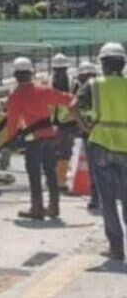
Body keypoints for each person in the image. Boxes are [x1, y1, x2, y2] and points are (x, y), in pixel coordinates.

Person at [71, 43, 127, 262]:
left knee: (107, 200)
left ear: (102, 64)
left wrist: (86, 127)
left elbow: (73, 106)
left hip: (101, 144)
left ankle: (116, 248)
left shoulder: (94, 84)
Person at [3, 56, 73, 220]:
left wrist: (11, 139)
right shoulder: (43, 90)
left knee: (34, 173)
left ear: (15, 76)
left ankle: (37, 208)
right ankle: (54, 207)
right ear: (31, 74)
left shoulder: (15, 96)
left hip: (33, 140)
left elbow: (12, 122)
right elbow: (65, 98)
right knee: (50, 172)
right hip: (49, 136)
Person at [75, 59, 101, 211]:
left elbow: (74, 107)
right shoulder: (103, 86)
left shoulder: (87, 89)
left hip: (92, 133)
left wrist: (84, 126)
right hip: (107, 132)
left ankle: (96, 198)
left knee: (96, 168)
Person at [50, 53, 77, 192]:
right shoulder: (47, 82)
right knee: (52, 153)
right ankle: (53, 179)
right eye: (57, 70)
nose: (60, 72)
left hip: (68, 123)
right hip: (50, 123)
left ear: (67, 69)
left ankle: (61, 181)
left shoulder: (73, 83)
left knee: (65, 153)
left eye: (62, 69)